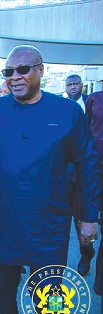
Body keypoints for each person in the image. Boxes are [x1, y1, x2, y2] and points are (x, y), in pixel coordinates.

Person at [0, 45, 99, 313]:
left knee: (48, 305)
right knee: (2, 304)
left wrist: (89, 217)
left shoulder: (67, 112)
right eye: (9, 72)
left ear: (41, 70)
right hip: (1, 227)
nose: (15, 76)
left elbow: (88, 163)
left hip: (48, 228)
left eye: (23, 69)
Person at [64, 74, 94, 276]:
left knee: (82, 216)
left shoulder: (91, 104)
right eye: (69, 85)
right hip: (64, 169)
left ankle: (86, 252)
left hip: (86, 167)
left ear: (82, 86)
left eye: (76, 84)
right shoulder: (61, 107)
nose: (73, 87)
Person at [85, 88, 103, 294]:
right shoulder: (95, 99)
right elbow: (85, 132)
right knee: (86, 218)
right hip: (95, 167)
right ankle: (86, 252)